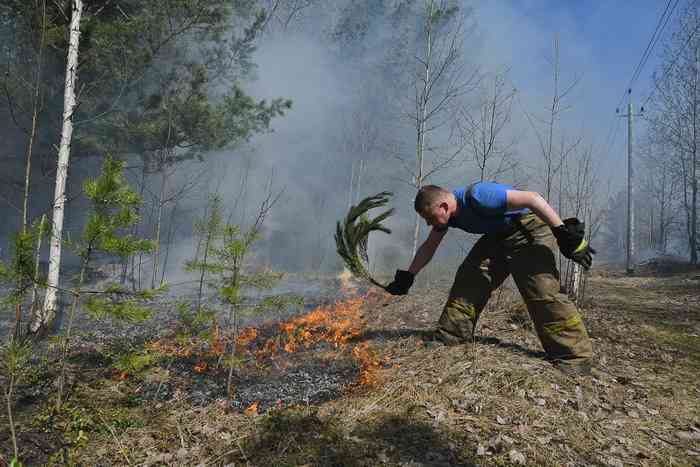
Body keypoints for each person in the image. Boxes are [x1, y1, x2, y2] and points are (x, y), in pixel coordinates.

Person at [385, 182, 595, 375]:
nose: (430, 223)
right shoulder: (448, 215)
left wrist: (563, 233)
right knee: (471, 277)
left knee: (542, 291)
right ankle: (452, 334)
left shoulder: (479, 196)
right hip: (498, 234)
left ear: (443, 206)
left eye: (430, 218)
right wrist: (409, 275)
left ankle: (574, 357)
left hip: (527, 229)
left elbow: (533, 198)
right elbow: (429, 246)